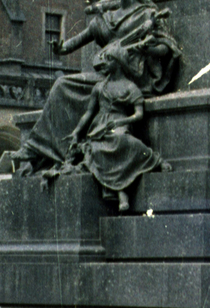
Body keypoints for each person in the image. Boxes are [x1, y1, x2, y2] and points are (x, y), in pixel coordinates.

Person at [16, 0, 181, 172]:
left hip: (128, 77)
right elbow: (75, 42)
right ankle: (40, 148)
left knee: (64, 86)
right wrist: (60, 48)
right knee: (61, 85)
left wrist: (146, 49)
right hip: (106, 74)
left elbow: (166, 48)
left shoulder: (146, 15)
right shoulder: (107, 17)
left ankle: (42, 148)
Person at [65, 43, 168, 212]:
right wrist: (77, 131)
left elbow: (139, 114)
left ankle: (156, 161)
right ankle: (121, 193)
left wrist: (121, 122)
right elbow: (89, 113)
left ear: (118, 62)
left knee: (123, 140)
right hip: (100, 128)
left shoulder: (130, 87)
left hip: (121, 124)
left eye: (108, 60)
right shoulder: (99, 87)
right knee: (98, 150)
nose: (103, 64)